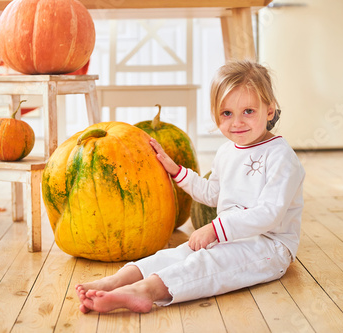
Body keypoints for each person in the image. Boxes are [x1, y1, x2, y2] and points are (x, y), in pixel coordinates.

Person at [76, 60, 305, 314]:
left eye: (248, 111)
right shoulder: (227, 151)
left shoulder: (280, 156)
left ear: (270, 110)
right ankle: (118, 280)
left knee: (208, 263)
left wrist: (216, 229)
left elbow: (269, 214)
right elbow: (212, 193)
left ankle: (145, 291)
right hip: (228, 237)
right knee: (179, 254)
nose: (237, 122)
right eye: (227, 114)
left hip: (269, 247)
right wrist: (176, 170)